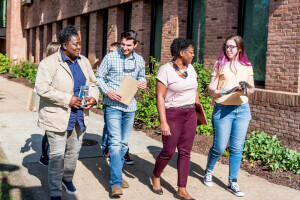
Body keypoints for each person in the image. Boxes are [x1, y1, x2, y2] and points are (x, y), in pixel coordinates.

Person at [35, 26, 99, 200]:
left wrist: (93, 97)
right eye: (75, 44)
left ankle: (67, 178)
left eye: (79, 44)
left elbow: (93, 84)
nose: (79, 47)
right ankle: (55, 192)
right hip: (57, 117)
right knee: (57, 156)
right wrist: (67, 99)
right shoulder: (48, 63)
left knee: (73, 152)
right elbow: (42, 88)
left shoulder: (83, 61)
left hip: (79, 117)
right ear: (64, 45)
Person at [95, 30, 147, 197]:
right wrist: (107, 91)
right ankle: (116, 182)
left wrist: (143, 83)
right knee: (116, 143)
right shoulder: (110, 58)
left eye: (128, 45)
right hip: (112, 106)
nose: (124, 48)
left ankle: (116, 172)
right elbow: (98, 77)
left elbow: (141, 77)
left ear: (135, 45)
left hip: (130, 107)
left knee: (123, 145)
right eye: (123, 44)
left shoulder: (139, 60)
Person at [203, 35, 255, 197]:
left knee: (237, 148)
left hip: (242, 110)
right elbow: (211, 86)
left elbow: (252, 89)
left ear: (239, 48)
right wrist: (215, 91)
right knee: (219, 146)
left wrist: (245, 89)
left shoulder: (247, 66)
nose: (228, 49)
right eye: (226, 46)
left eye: (232, 47)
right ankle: (209, 170)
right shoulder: (220, 64)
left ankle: (233, 181)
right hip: (223, 109)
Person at [152, 38, 199, 200]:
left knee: (185, 152)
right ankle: (156, 176)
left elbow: (195, 90)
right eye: (191, 52)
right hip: (173, 115)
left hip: (190, 114)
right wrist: (163, 121)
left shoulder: (191, 69)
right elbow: (160, 97)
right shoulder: (165, 70)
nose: (193, 55)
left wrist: (198, 111)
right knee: (168, 151)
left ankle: (182, 188)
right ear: (181, 52)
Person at [102, 42, 134, 165]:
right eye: (109, 51)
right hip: (110, 103)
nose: (111, 54)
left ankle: (123, 152)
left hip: (126, 103)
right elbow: (100, 80)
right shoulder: (108, 63)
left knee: (122, 133)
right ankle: (107, 150)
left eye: (113, 51)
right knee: (110, 129)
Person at [38, 42, 61, 167]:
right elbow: (39, 88)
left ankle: (54, 156)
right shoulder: (45, 66)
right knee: (48, 134)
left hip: (60, 106)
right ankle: (44, 156)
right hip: (49, 106)